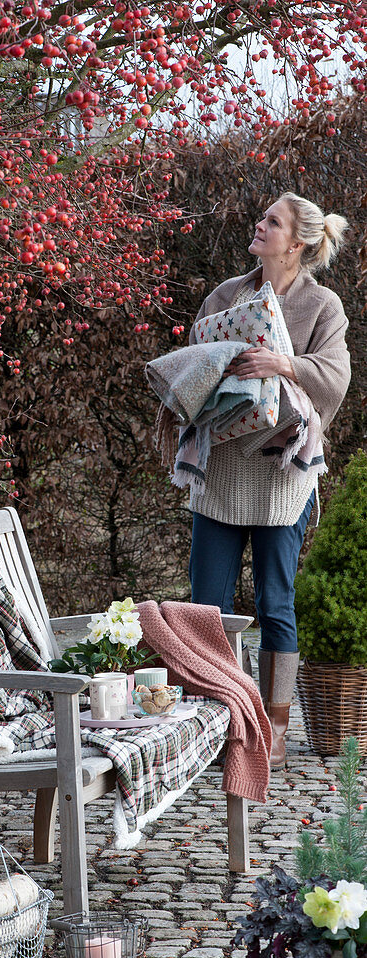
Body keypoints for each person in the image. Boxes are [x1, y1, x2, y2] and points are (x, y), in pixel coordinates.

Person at [187, 193, 351, 769]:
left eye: (271, 223)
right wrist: (221, 363)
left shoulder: (322, 306)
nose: (259, 227)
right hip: (222, 472)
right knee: (206, 607)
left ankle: (273, 728)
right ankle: (217, 721)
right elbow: (193, 360)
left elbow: (336, 375)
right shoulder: (226, 294)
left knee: (275, 604)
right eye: (261, 219)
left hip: (283, 478)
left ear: (298, 242)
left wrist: (281, 364)